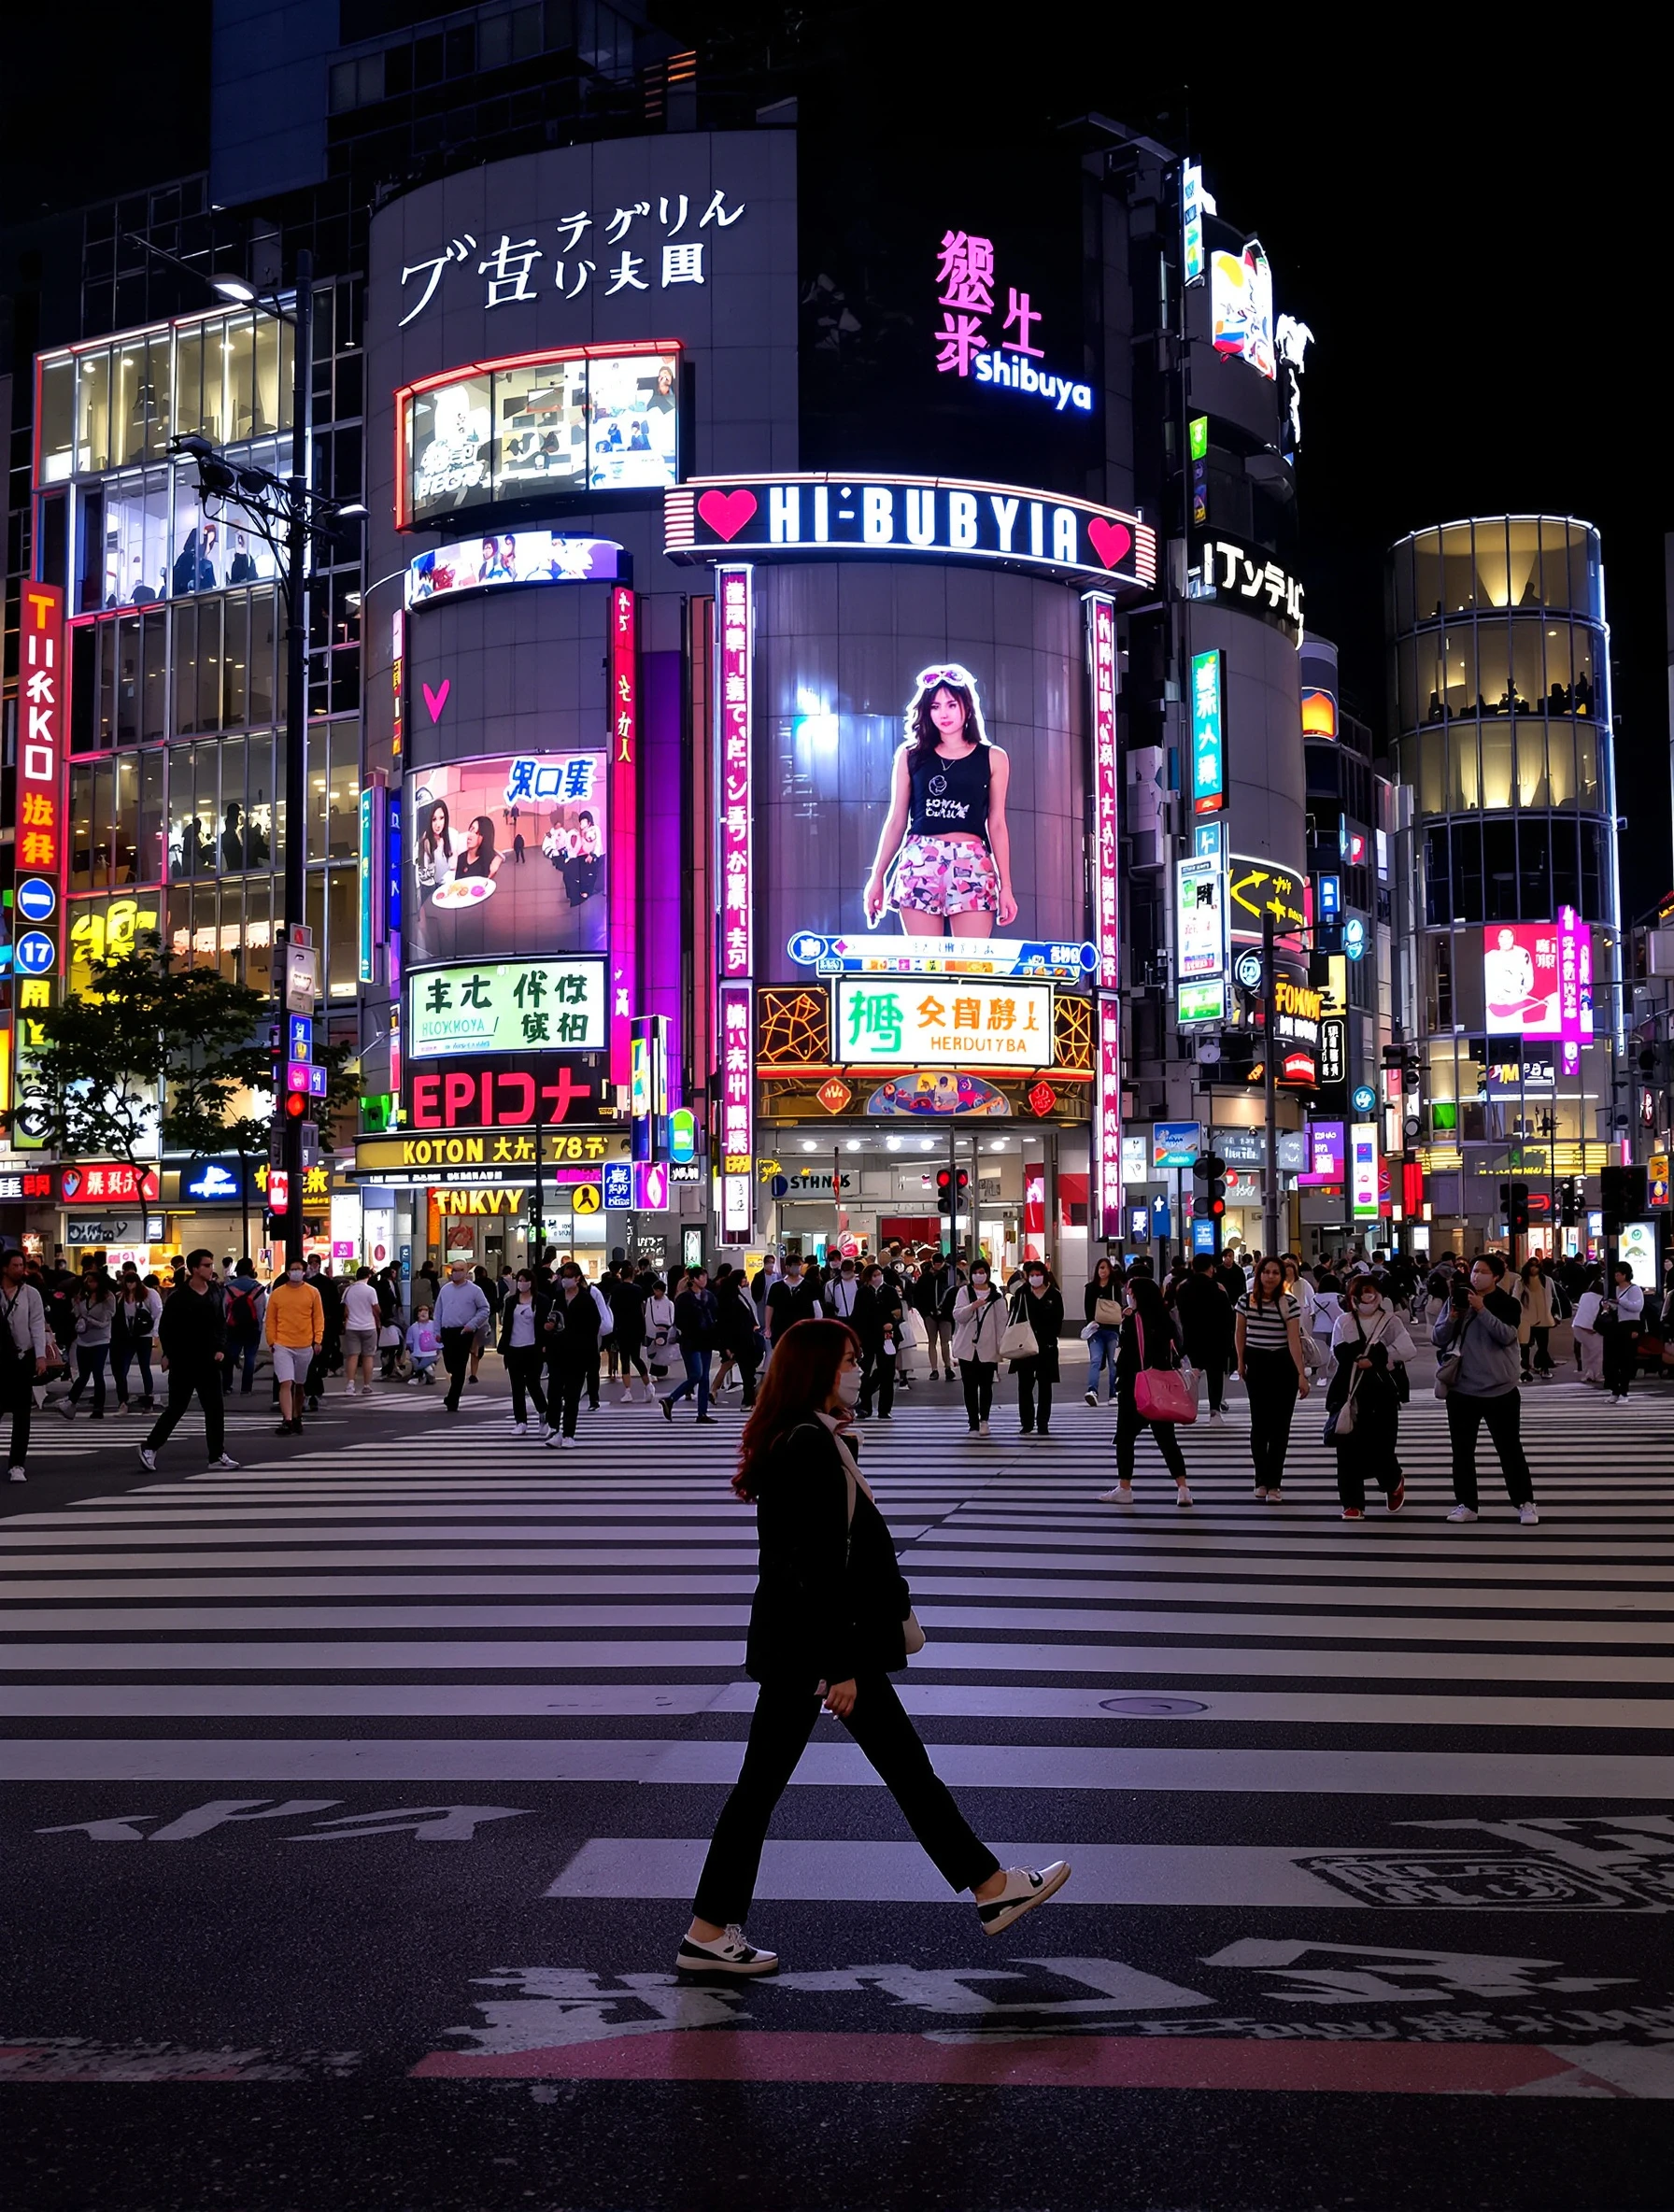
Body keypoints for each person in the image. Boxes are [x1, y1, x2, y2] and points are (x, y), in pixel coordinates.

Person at [678, 1318, 1070, 1975]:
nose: (860, 1370)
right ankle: (990, 1888)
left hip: (809, 1647)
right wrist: (841, 1666)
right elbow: (811, 1566)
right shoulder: (807, 1445)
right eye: (849, 1362)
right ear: (818, 1373)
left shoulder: (813, 1436)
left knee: (857, 1775)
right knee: (875, 1774)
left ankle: (710, 1929)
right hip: (819, 1651)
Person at [862, 665, 1017, 939]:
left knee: (972, 965)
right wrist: (878, 877)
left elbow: (997, 824)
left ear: (967, 707)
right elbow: (897, 820)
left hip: (972, 862)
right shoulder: (910, 755)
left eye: (951, 704)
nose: (943, 713)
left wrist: (1007, 886)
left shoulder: (993, 757)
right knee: (924, 963)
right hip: (920, 861)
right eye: (935, 706)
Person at [1432, 1253, 1539, 1524]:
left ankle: (1525, 1503)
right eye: (1473, 1271)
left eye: (1482, 1272)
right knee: (1462, 1451)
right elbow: (1438, 1337)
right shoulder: (1457, 1300)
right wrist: (1454, 1316)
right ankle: (1467, 1504)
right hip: (1461, 1389)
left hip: (1499, 1390)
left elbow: (1506, 1336)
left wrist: (1482, 1309)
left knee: (1509, 1449)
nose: (1475, 1276)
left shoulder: (1507, 1303)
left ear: (1496, 1276)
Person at [1097, 1273, 1192, 1510]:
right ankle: (1183, 1488)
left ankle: (1125, 1487)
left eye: (1130, 1293)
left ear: (1138, 1295)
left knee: (1125, 1439)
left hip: (1135, 1388)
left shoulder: (1133, 1320)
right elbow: (1176, 1350)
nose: (1128, 1296)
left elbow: (1128, 1356)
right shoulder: (1165, 1319)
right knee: (1167, 1440)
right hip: (1161, 1387)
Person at [138, 1250, 239, 1471]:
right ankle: (150, 1446)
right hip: (184, 1360)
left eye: (211, 1264)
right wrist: (169, 1355)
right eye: (206, 1265)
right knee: (177, 1407)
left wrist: (221, 1348)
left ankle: (216, 1454)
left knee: (215, 1408)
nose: (211, 1269)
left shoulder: (214, 1292)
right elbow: (167, 1328)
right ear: (194, 1268)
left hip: (209, 1360)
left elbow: (221, 1322)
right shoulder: (179, 1296)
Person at [1326, 1274, 1417, 1518]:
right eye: (1365, 1292)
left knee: (1381, 1448)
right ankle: (1352, 1503)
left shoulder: (1390, 1321)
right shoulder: (1343, 1322)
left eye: (1373, 1291)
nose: (1370, 1296)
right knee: (1347, 1449)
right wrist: (1356, 1360)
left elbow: (1409, 1350)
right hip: (1350, 1393)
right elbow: (1336, 1353)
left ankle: (1393, 1481)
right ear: (1353, 1296)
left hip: (1382, 1393)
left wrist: (1379, 1359)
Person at [1235, 1255, 1312, 1502]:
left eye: (1275, 1273)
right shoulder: (1245, 1300)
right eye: (1266, 1272)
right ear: (1258, 1275)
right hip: (1256, 1362)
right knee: (1259, 1424)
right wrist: (1240, 1362)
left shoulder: (1289, 1302)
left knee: (1280, 1427)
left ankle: (1274, 1484)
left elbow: (1293, 1341)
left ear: (1282, 1277)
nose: (1270, 1277)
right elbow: (1240, 1333)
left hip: (1283, 1364)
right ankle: (1261, 1479)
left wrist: (1301, 1374)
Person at [2, 1248, 50, 1482]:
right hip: (1, 1360)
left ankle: (17, 1464)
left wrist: (40, 1356)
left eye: (22, 1265)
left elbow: (37, 1325)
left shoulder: (31, 1294)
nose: (20, 1270)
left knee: (22, 1414)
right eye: (15, 1266)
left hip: (23, 1358)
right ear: (4, 1268)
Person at [1171, 1252, 1236, 1424]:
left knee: (1191, 1376)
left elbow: (1179, 1313)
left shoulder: (1183, 1287)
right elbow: (1228, 1317)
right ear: (1211, 1268)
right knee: (1215, 1376)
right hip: (1216, 1339)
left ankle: (1187, 1409)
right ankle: (1214, 1412)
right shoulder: (1218, 1288)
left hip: (1191, 1338)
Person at [544, 1261, 602, 1448]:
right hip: (557, 1351)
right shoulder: (557, 1298)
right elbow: (549, 1317)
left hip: (578, 1354)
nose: (565, 1280)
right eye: (563, 1276)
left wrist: (585, 1347)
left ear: (577, 1278)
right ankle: (554, 1429)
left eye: (569, 1277)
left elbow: (594, 1325)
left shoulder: (586, 1300)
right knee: (553, 1392)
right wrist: (549, 1329)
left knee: (572, 1395)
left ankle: (569, 1433)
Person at [263, 1259, 324, 1435]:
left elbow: (318, 1318)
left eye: (299, 1269)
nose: (296, 1272)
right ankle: (287, 1420)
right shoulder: (278, 1293)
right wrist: (272, 1341)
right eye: (292, 1269)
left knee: (299, 1384)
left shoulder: (312, 1292)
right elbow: (271, 1319)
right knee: (285, 1382)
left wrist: (317, 1340)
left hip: (305, 1344)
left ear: (304, 1271)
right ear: (287, 1272)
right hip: (282, 1344)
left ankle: (297, 1417)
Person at [950, 1257, 1007, 1437]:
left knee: (986, 1385)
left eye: (982, 1272)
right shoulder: (964, 1292)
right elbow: (958, 1316)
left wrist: (1001, 1347)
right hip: (967, 1347)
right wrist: (972, 1307)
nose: (979, 1276)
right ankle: (972, 1422)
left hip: (988, 1347)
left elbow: (1002, 1321)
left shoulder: (996, 1296)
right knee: (969, 1386)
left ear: (988, 1274)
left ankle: (985, 1420)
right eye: (975, 1272)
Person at [1008, 1261, 1063, 1438]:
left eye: (1038, 1274)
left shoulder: (1054, 1295)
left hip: (1046, 1346)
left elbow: (1058, 1320)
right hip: (1024, 1345)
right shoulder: (1022, 1293)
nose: (1035, 1278)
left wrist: (1049, 1337)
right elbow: (1014, 1316)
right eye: (1032, 1275)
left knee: (1045, 1387)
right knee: (1024, 1386)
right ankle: (1026, 1423)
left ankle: (1043, 1423)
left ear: (1044, 1275)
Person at [661, 1267, 717, 1424]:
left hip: (706, 1341)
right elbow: (680, 1321)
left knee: (705, 1378)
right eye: (702, 1277)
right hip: (690, 1342)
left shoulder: (710, 1297)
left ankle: (702, 1413)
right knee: (696, 1375)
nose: (705, 1280)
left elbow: (716, 1316)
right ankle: (671, 1398)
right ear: (693, 1279)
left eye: (705, 1276)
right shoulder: (684, 1299)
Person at [499, 1269, 551, 1433]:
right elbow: (507, 1324)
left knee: (533, 1383)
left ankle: (544, 1414)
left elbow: (545, 1325)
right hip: (514, 1348)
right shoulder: (511, 1301)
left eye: (524, 1280)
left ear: (531, 1282)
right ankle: (520, 1421)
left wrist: (545, 1344)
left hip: (533, 1348)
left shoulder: (541, 1301)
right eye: (519, 1280)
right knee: (517, 1386)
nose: (521, 1283)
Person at [434, 1260, 491, 1412]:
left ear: (466, 1272)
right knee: (450, 1364)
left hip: (464, 1330)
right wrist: (437, 1331)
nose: (456, 1272)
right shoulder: (445, 1289)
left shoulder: (475, 1290)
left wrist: (472, 1325)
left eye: (460, 1270)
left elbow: (485, 1309)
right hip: (447, 1330)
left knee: (459, 1367)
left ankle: (453, 1399)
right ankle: (452, 1394)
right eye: (454, 1270)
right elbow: (438, 1311)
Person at [852, 1260, 902, 1421]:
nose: (877, 1278)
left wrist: (891, 1322)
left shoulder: (889, 1291)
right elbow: (857, 1316)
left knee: (886, 1371)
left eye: (879, 1274)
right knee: (865, 1370)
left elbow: (897, 1312)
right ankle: (864, 1406)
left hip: (888, 1337)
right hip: (868, 1336)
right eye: (874, 1275)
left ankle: (884, 1409)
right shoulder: (862, 1293)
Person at [111, 1273, 162, 1412]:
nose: (130, 1285)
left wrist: (155, 1333)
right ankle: (123, 1400)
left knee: (144, 1367)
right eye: (127, 1282)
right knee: (122, 1369)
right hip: (127, 1336)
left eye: (132, 1282)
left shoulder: (149, 1294)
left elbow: (158, 1313)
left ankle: (148, 1399)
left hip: (144, 1335)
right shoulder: (121, 1296)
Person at [1597, 1262, 1645, 1403]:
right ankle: (1615, 1391)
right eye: (1615, 1274)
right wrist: (1608, 1306)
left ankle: (1624, 1392)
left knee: (1626, 1360)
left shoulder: (1634, 1289)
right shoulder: (1616, 1289)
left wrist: (1621, 1302)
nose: (1616, 1276)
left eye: (1619, 1274)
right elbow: (1617, 1307)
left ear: (1625, 1275)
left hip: (1630, 1325)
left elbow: (1638, 1307)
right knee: (1613, 1360)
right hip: (1616, 1326)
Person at [1083, 1257, 1124, 1407]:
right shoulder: (1090, 1288)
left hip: (1112, 1330)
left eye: (1105, 1268)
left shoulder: (1115, 1287)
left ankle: (1114, 1393)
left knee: (1113, 1362)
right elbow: (1087, 1308)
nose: (1103, 1271)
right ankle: (1092, 1390)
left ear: (1110, 1270)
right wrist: (1091, 1323)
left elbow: (1119, 1307)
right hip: (1096, 1329)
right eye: (1100, 1268)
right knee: (1096, 1360)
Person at [221, 1260, 264, 1396]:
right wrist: (258, 1327)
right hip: (252, 1327)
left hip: (233, 1327)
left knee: (229, 1356)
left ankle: (227, 1386)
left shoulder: (228, 1287)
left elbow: (224, 1308)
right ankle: (246, 1388)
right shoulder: (258, 1288)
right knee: (250, 1357)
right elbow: (260, 1311)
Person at [338, 1267, 382, 1397]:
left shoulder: (348, 1290)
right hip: (369, 1326)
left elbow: (346, 1311)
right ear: (368, 1275)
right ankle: (367, 1385)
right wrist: (379, 1319)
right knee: (368, 1356)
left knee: (352, 1356)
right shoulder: (370, 1290)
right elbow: (376, 1308)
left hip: (352, 1327)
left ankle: (350, 1384)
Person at [1518, 1257, 1556, 1382]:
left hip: (1543, 1319)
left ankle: (1544, 1369)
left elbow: (1554, 1298)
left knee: (1543, 1346)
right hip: (1526, 1319)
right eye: (1532, 1266)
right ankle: (1525, 1371)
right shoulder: (1521, 1282)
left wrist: (1555, 1314)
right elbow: (1516, 1299)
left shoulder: (1547, 1280)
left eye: (1536, 1266)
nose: (1534, 1269)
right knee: (1525, 1346)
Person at [1570, 1267, 1607, 1385]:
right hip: (1590, 1327)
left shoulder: (1585, 1295)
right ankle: (1597, 1374)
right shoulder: (1601, 1298)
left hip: (1578, 1325)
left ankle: (1587, 1373)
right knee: (1597, 1351)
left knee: (1585, 1351)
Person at [405, 1304, 439, 1382]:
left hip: (432, 1354)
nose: (423, 1313)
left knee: (425, 1365)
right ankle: (424, 1373)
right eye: (420, 1311)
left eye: (426, 1311)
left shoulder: (435, 1325)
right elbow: (409, 1344)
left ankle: (422, 1373)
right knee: (414, 1360)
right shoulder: (412, 1327)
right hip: (417, 1355)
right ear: (417, 1314)